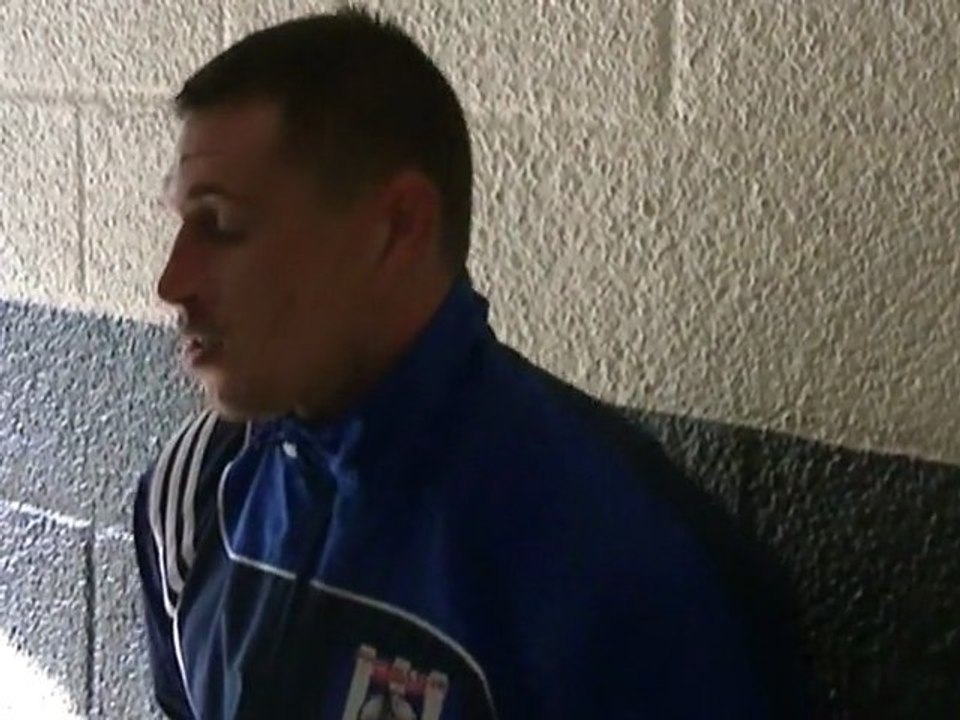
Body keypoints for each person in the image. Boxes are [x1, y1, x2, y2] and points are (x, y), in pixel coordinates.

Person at [132, 7, 811, 719]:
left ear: (397, 228)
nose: (173, 282)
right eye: (180, 224)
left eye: (221, 225)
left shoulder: (628, 568)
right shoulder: (194, 492)